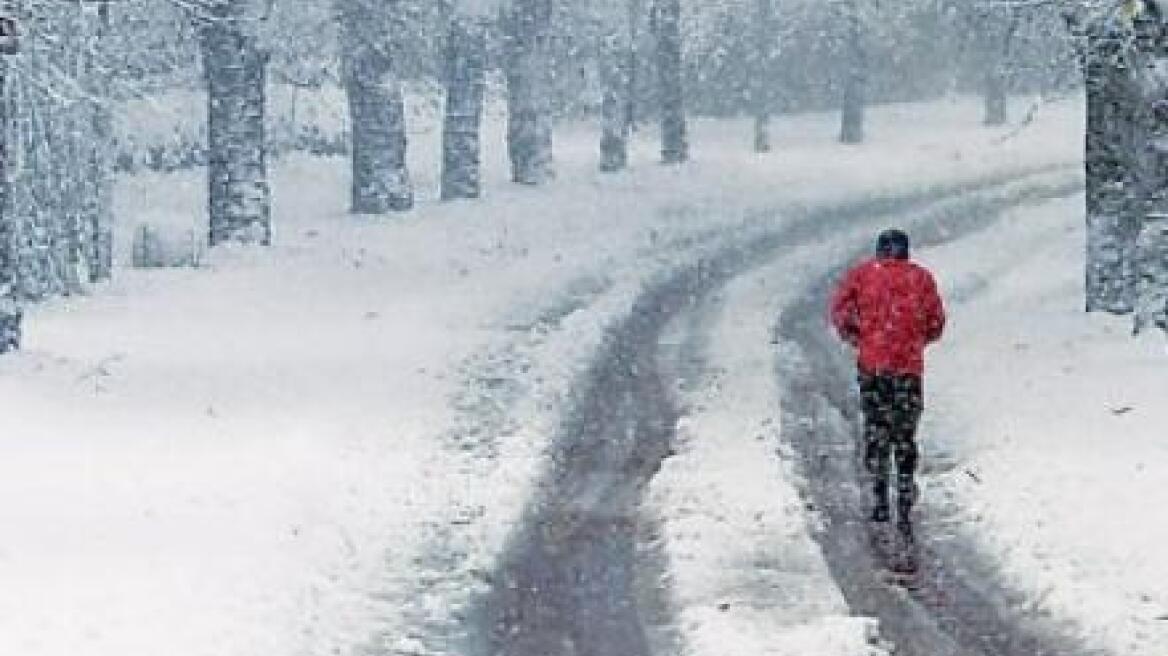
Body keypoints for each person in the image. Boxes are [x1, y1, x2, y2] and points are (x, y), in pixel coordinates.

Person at [829, 228, 945, 537]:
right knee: (905, 431)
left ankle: (880, 491)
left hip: (874, 365)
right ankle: (905, 489)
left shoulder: (863, 275)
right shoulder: (920, 278)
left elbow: (840, 312)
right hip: (907, 367)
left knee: (877, 425)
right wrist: (914, 339)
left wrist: (859, 336)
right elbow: (936, 323)